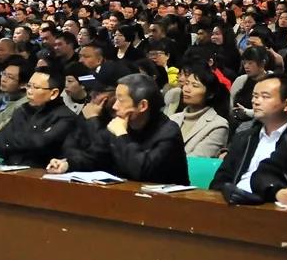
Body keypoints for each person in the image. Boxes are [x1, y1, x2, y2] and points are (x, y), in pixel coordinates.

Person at [49, 74, 188, 184]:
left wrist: (122, 135)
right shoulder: (120, 124)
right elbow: (95, 157)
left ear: (142, 106)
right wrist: (67, 164)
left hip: (168, 204)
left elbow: (142, 171)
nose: (115, 106)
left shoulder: (168, 132)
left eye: (121, 100)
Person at [212, 74, 287, 194]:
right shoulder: (244, 138)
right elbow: (220, 180)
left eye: (265, 96)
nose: (255, 101)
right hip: (235, 200)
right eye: (255, 96)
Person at [0, 64, 78, 168]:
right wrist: (25, 142)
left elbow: (40, 145)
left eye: (36, 87)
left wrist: (11, 141)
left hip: (41, 172)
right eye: (29, 86)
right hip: (10, 168)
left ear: (53, 93)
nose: (29, 91)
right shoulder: (21, 111)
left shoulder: (66, 117)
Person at [169, 64, 230, 157]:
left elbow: (197, 158)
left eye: (195, 85)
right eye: (186, 83)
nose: (186, 89)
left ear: (210, 94)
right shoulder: (172, 119)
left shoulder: (218, 125)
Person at [0, 57, 31, 135]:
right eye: (4, 74)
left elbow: (4, 129)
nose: (3, 79)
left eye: (10, 77)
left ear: (23, 84)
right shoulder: (0, 99)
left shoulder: (27, 105)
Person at [230, 45, 270, 129]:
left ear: (262, 63)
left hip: (262, 122)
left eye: (250, 63)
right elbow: (230, 102)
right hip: (236, 120)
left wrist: (247, 112)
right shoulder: (241, 80)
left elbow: (271, 108)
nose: (246, 66)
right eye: (244, 63)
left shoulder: (273, 80)